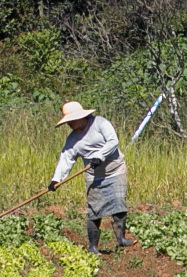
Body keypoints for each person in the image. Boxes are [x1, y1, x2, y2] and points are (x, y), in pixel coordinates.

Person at [50, 99, 129, 252]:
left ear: (81, 117)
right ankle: (93, 246)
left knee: (118, 204)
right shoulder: (72, 139)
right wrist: (56, 179)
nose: (70, 124)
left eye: (72, 120)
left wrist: (100, 156)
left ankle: (121, 239)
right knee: (94, 210)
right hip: (94, 175)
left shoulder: (100, 123)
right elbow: (66, 159)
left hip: (115, 170)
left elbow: (113, 141)